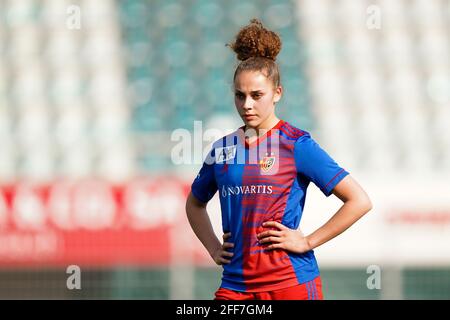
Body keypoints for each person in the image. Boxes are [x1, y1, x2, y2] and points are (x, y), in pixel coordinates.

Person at [185, 19, 372, 300]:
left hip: (290, 284)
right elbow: (195, 204)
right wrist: (213, 248)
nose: (247, 104)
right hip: (235, 286)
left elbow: (359, 201)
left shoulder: (296, 144)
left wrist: (308, 241)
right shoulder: (222, 149)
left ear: (277, 94)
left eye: (256, 95)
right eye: (240, 95)